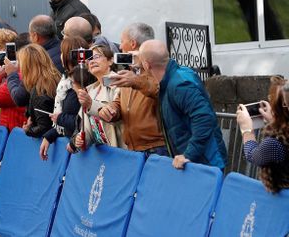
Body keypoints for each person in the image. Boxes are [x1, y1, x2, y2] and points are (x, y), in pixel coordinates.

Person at [138, 39, 227, 170]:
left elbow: (204, 118)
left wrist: (188, 154)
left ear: (146, 65)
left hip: (205, 163)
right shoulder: (175, 76)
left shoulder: (180, 84)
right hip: (198, 161)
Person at [99, 23, 166, 157]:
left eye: (122, 41)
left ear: (133, 43)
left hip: (155, 149)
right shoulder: (131, 71)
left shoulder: (156, 69)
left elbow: (158, 91)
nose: (121, 46)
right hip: (134, 149)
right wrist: (111, 109)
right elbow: (120, 102)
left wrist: (136, 80)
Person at [237, 76, 289, 193]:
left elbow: (253, 155)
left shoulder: (275, 144)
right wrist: (275, 121)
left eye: (273, 101)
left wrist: (246, 130)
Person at [39, 36, 88, 160]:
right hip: (73, 146)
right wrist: (49, 135)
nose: (60, 56)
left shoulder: (82, 84)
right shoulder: (66, 81)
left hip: (83, 149)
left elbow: (84, 121)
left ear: (69, 56)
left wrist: (60, 118)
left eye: (62, 52)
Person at [71, 45, 125, 151]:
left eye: (97, 56)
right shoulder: (90, 91)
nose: (91, 61)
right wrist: (81, 139)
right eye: (89, 59)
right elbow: (88, 128)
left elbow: (115, 117)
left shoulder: (120, 84)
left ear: (110, 61)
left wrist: (91, 104)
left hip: (120, 152)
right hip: (102, 155)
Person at [18, 44, 61, 137]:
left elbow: (43, 127)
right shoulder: (56, 78)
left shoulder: (40, 90)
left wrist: (28, 130)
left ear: (27, 67)